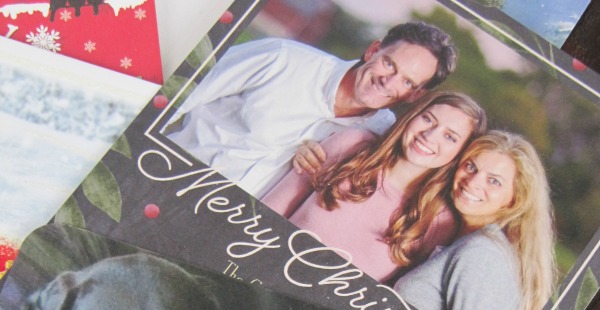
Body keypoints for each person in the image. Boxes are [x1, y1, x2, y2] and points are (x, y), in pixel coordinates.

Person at [165, 22, 457, 197]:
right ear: (373, 50)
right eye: (389, 63)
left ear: (415, 94)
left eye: (407, 81)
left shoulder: (382, 135)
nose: (389, 81)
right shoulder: (283, 58)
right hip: (168, 175)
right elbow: (179, 95)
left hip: (225, 226)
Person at [262, 92, 487, 282]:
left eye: (450, 137)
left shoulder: (437, 220)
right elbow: (267, 214)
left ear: (461, 154)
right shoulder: (352, 145)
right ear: (412, 116)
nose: (429, 136)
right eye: (428, 119)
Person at [393, 131, 557, 310]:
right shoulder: (467, 240)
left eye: (494, 181)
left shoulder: (483, 254)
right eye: (471, 167)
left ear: (515, 198)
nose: (473, 182)